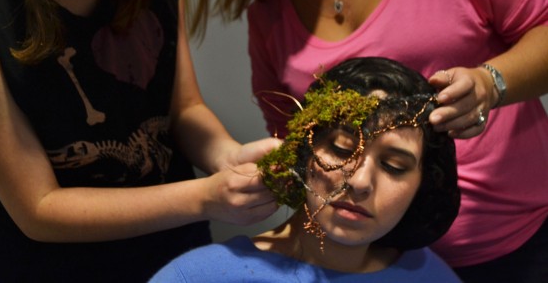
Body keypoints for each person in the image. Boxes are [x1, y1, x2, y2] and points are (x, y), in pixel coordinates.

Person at [171, 0, 548, 281]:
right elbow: (294, 150)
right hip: (374, 264)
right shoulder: (267, 19)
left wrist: (490, 85)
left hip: (515, 242)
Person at [0, 0, 281, 281]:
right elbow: (38, 209)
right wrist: (205, 198)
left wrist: (226, 157)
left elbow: (184, 109)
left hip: (178, 255)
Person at [150, 56, 462, 282]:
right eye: (341, 147)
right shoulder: (198, 277)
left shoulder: (428, 274)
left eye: (394, 166)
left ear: (423, 184)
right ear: (303, 148)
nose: (360, 180)